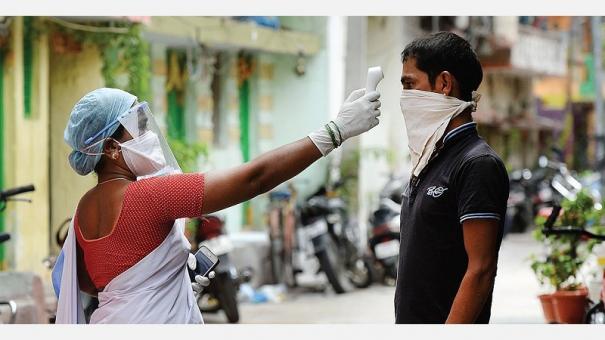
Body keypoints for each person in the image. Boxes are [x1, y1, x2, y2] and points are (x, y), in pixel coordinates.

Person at [54, 87, 381, 324]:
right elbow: (254, 179)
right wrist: (334, 132)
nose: (148, 134)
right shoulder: (150, 195)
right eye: (136, 127)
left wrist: (171, 279)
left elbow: (90, 281)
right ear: (110, 148)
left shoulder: (84, 209)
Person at [394, 31, 509, 324]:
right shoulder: (430, 158)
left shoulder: (477, 163)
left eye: (410, 85)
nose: (405, 97)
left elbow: (481, 269)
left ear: (444, 84)